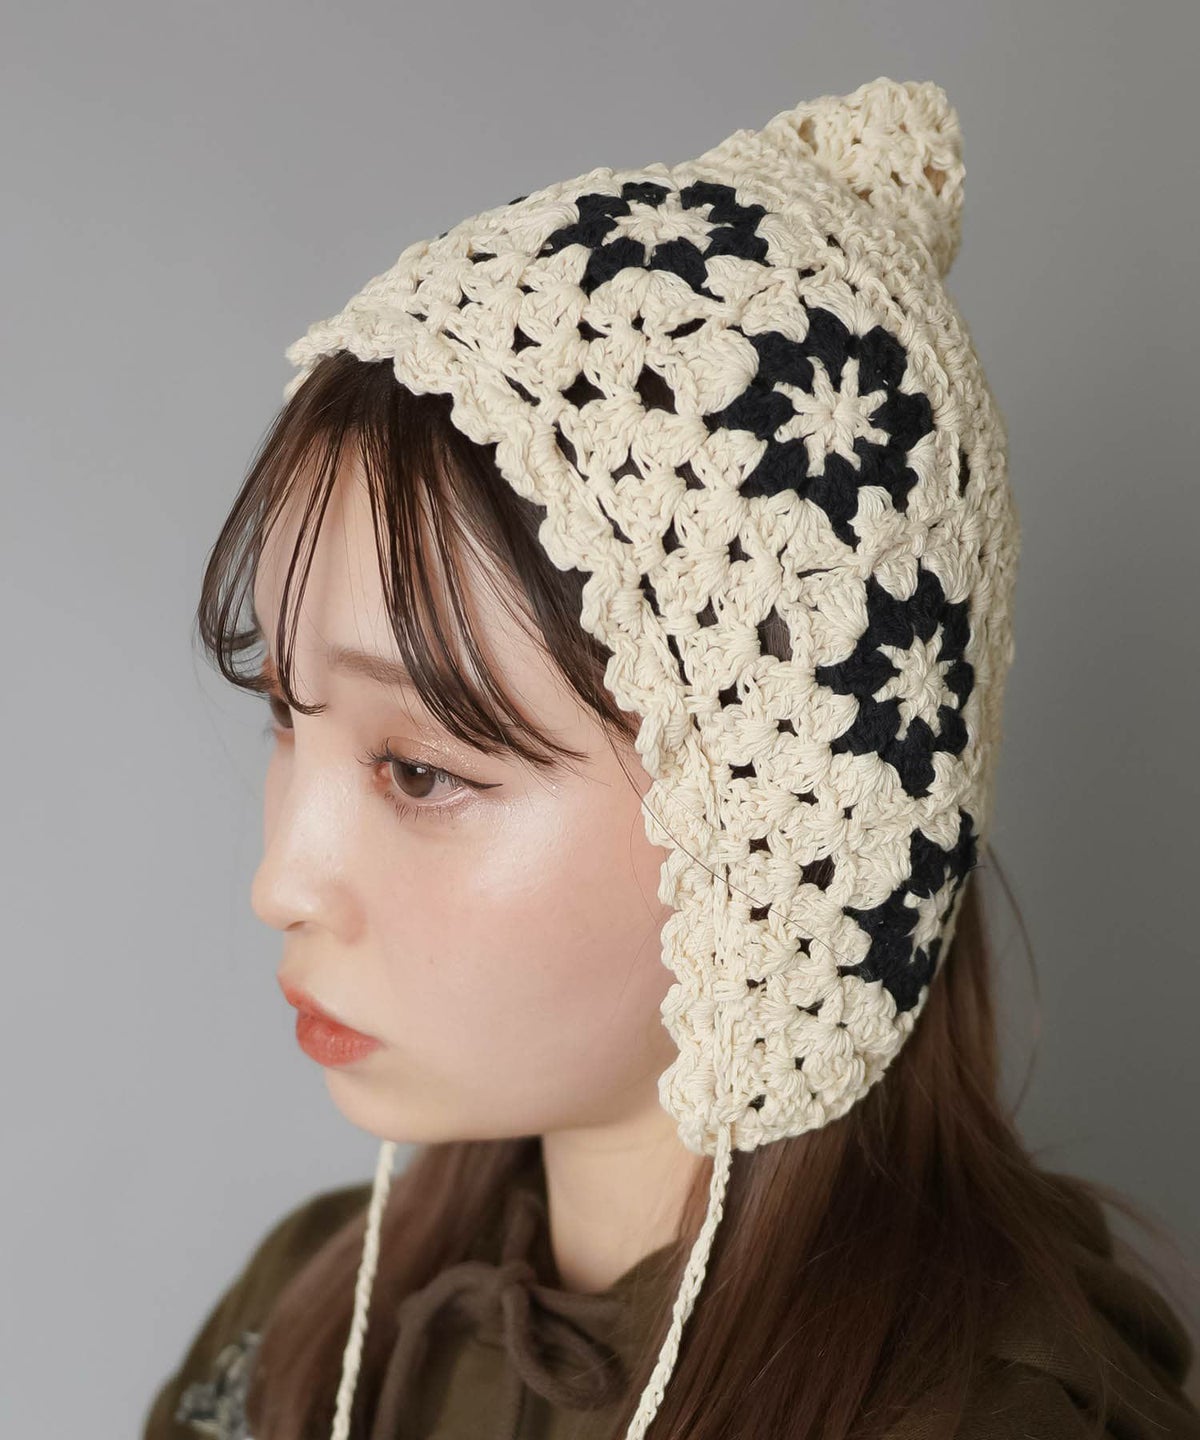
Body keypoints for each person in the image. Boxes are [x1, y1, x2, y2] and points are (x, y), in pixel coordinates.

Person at [143, 76, 1200, 1440]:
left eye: (420, 768)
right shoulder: (301, 1323)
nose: (282, 881)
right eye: (288, 716)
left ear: (772, 831)